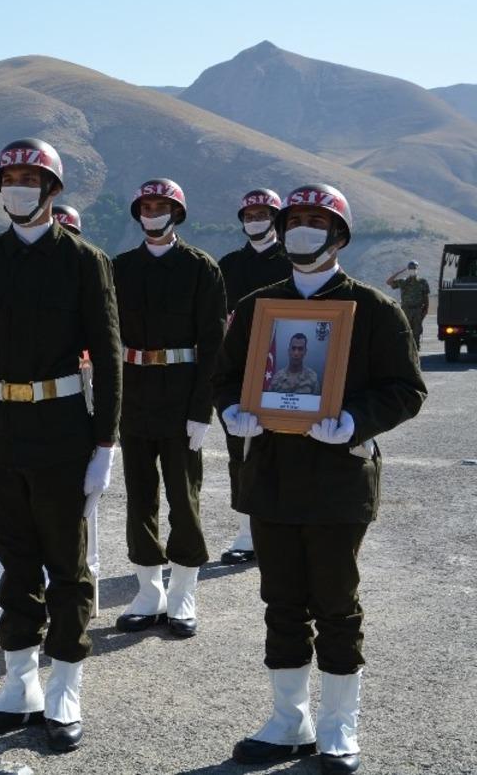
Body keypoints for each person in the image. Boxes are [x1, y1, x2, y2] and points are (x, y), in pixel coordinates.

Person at [215, 183, 426, 774]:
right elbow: (225, 378)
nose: (302, 229)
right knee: (281, 601)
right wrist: (233, 410)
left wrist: (356, 420)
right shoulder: (260, 307)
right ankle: (289, 720)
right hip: (273, 475)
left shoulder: (374, 309)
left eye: (316, 220)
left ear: (339, 235)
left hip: (338, 479)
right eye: (295, 220)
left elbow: (407, 389)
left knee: (335, 604)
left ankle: (338, 727)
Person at [0, 138, 122, 753]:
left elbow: (107, 356)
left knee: (67, 566)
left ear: (52, 191)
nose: (17, 187)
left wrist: (105, 442)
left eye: (30, 178)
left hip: (61, 432)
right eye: (10, 178)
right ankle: (19, 685)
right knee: (14, 562)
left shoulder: (85, 260)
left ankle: (64, 688)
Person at [112, 178, 226, 638]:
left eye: (161, 206)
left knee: (184, 496)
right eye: (146, 205)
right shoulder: (120, 267)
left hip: (181, 395)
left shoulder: (201, 268)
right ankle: (148, 592)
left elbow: (214, 343)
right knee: (138, 496)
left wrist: (203, 409)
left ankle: (182, 593)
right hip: (135, 392)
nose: (152, 212)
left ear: (176, 213)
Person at [217, 188, 292, 564]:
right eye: (248, 215)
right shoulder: (228, 264)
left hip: (286, 370)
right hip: (241, 370)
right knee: (241, 452)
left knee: (285, 449)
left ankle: (283, 528)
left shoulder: (295, 261)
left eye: (262, 214)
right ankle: (247, 532)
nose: (255, 220)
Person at [386, 261, 430, 350]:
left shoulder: (422, 282)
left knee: (417, 331)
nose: (412, 270)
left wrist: (426, 309)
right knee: (405, 329)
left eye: (414, 268)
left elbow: (426, 296)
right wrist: (399, 272)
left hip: (417, 310)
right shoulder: (403, 281)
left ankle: (416, 348)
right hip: (406, 310)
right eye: (410, 269)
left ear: (417, 269)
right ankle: (406, 348)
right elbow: (389, 282)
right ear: (408, 270)